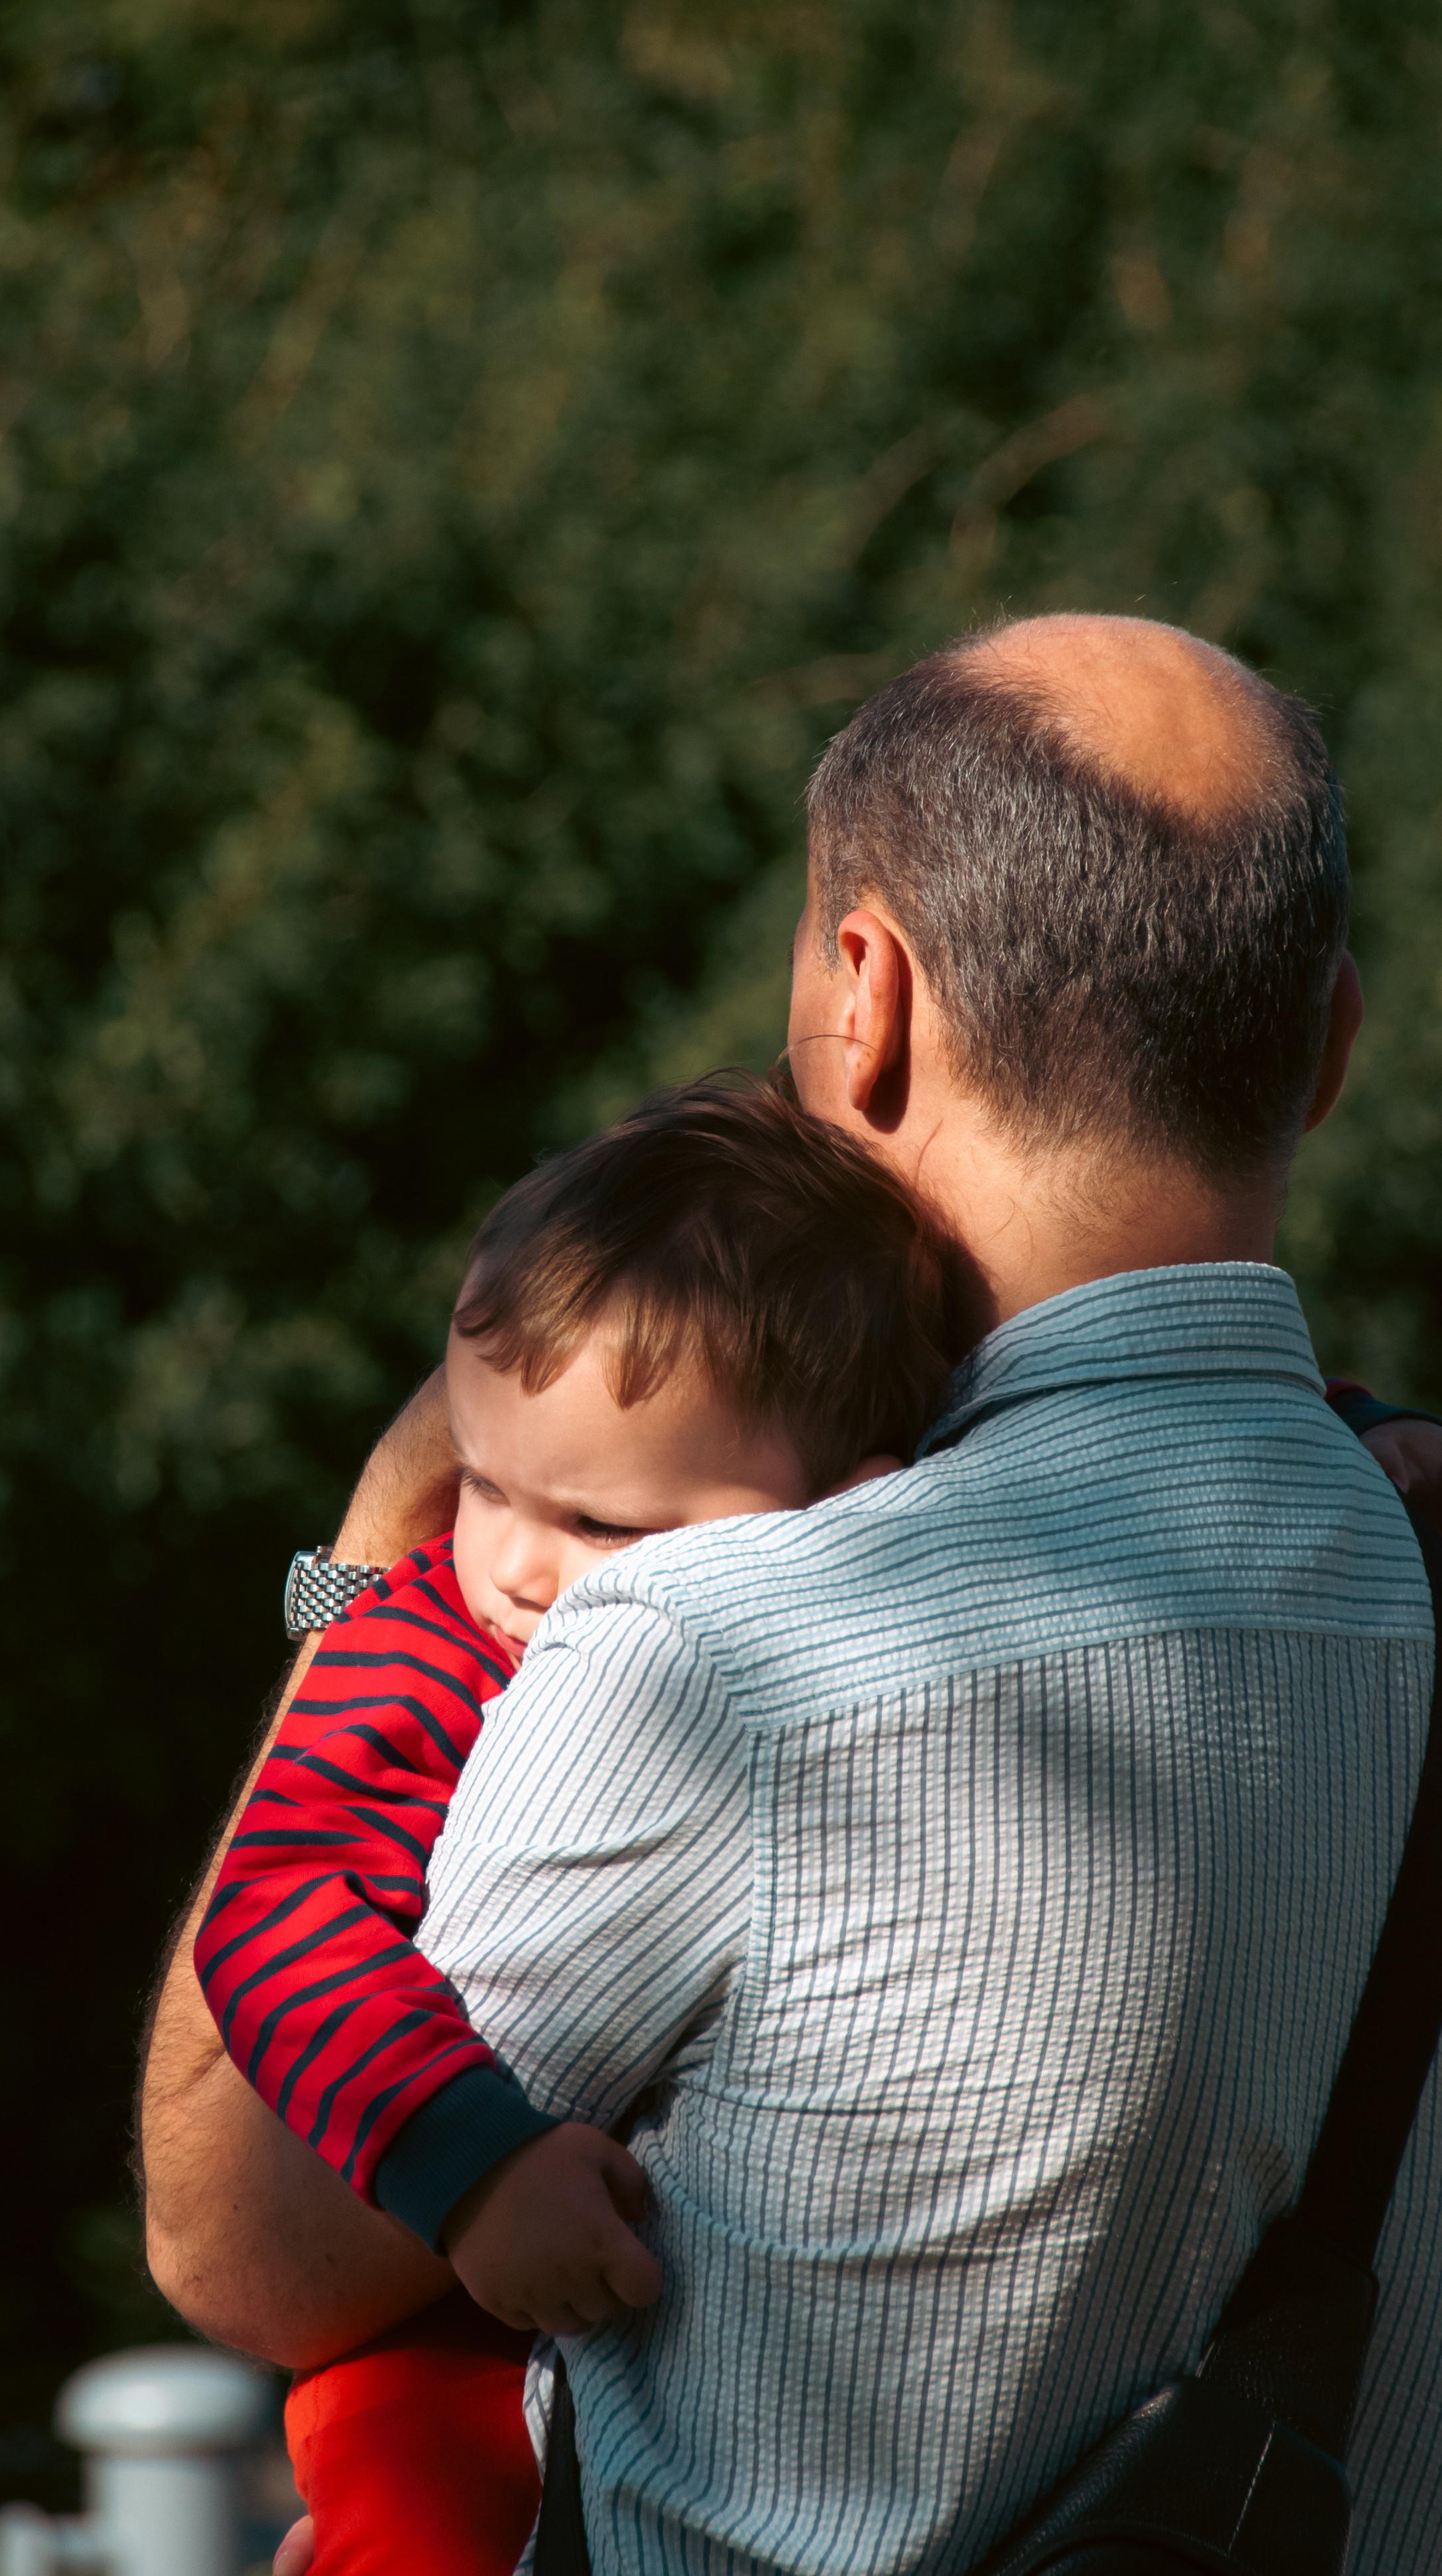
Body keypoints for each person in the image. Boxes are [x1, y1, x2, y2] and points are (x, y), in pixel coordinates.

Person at [140, 615, 1442, 2573]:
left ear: (868, 998)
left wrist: (401, 1509)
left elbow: (244, 2244)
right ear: (1333, 1047)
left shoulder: (708, 1652)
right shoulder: (1409, 1527)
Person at [195, 1081, 950, 2575]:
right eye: (478, 1479)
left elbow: (1029, 1438)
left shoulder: (890, 1520)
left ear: (859, 1509)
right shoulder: (424, 1640)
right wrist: (463, 2160)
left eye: (604, 1526)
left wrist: (1348, 1422)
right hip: (437, 2324)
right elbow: (275, 1901)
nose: (516, 1565)